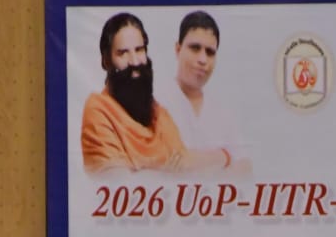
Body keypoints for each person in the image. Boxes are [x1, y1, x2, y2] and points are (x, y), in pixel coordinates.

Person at [80, 12, 235, 176]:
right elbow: (119, 186)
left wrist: (223, 156)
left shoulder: (158, 115)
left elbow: (185, 164)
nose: (135, 61)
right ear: (106, 61)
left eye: (139, 50)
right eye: (123, 53)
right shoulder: (98, 110)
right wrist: (167, 171)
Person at [158, 10, 249, 174]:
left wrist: (220, 157)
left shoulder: (221, 111)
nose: (202, 59)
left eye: (210, 52)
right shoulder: (155, 101)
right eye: (195, 48)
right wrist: (224, 156)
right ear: (178, 49)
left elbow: (245, 167)